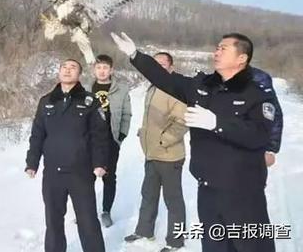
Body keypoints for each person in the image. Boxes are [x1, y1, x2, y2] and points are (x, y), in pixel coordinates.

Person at [111, 32, 277, 252]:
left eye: (223, 48)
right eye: (216, 47)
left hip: (243, 192)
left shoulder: (256, 94)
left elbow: (260, 135)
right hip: (208, 191)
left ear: (241, 58)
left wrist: (217, 123)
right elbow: (165, 79)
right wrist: (135, 55)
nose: (216, 52)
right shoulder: (202, 86)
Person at [25, 58, 110, 252]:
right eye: (64, 67)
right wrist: (32, 162)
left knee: (87, 221)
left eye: (73, 68)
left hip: (80, 172)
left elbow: (100, 136)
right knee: (53, 222)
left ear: (79, 74)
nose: (67, 70)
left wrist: (100, 164)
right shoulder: (46, 101)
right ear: (59, 72)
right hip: (53, 173)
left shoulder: (89, 101)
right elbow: (37, 134)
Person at [124, 52, 187, 252]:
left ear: (171, 68)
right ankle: (144, 230)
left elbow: (183, 122)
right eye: (155, 63)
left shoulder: (175, 89)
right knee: (148, 194)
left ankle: (176, 240)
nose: (157, 67)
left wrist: (163, 140)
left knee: (173, 200)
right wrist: (144, 134)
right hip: (151, 153)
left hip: (169, 155)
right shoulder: (153, 87)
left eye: (162, 64)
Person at [89, 54, 132, 227]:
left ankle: (106, 210)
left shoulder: (121, 89)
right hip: (89, 140)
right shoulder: (85, 88)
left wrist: (120, 137)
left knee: (108, 176)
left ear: (111, 70)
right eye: (98, 67)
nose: (102, 71)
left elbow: (127, 114)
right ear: (94, 70)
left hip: (110, 139)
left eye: (105, 67)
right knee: (86, 178)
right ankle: (87, 211)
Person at [251, 67, 283, 168]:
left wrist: (271, 148)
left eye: (223, 50)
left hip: (251, 149)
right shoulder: (213, 79)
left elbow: (273, 113)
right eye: (217, 49)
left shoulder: (258, 78)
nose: (217, 53)